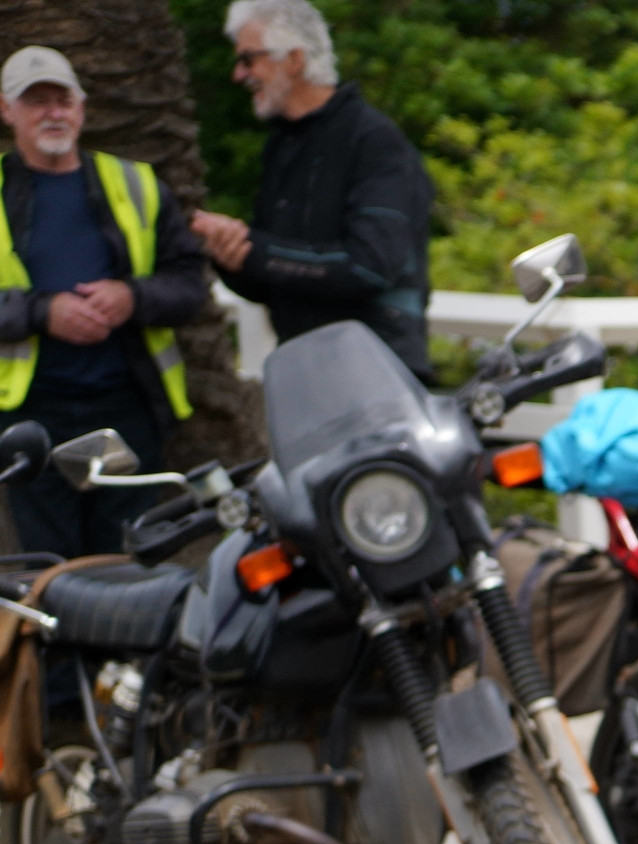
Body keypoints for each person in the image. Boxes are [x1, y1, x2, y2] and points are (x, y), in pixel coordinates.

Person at [0, 47, 206, 558]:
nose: (53, 112)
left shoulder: (137, 184)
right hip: (31, 421)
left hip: (124, 410)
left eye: (62, 99)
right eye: (36, 101)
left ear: (82, 107)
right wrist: (44, 313)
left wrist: (131, 297)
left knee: (126, 561)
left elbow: (190, 284)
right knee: (50, 570)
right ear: (7, 111)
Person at [188, 0, 432, 382]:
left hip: (376, 378)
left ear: (295, 59)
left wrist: (255, 249)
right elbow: (275, 280)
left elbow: (368, 267)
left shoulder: (375, 141)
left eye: (249, 59)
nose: (238, 74)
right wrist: (228, 252)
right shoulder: (282, 146)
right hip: (304, 378)